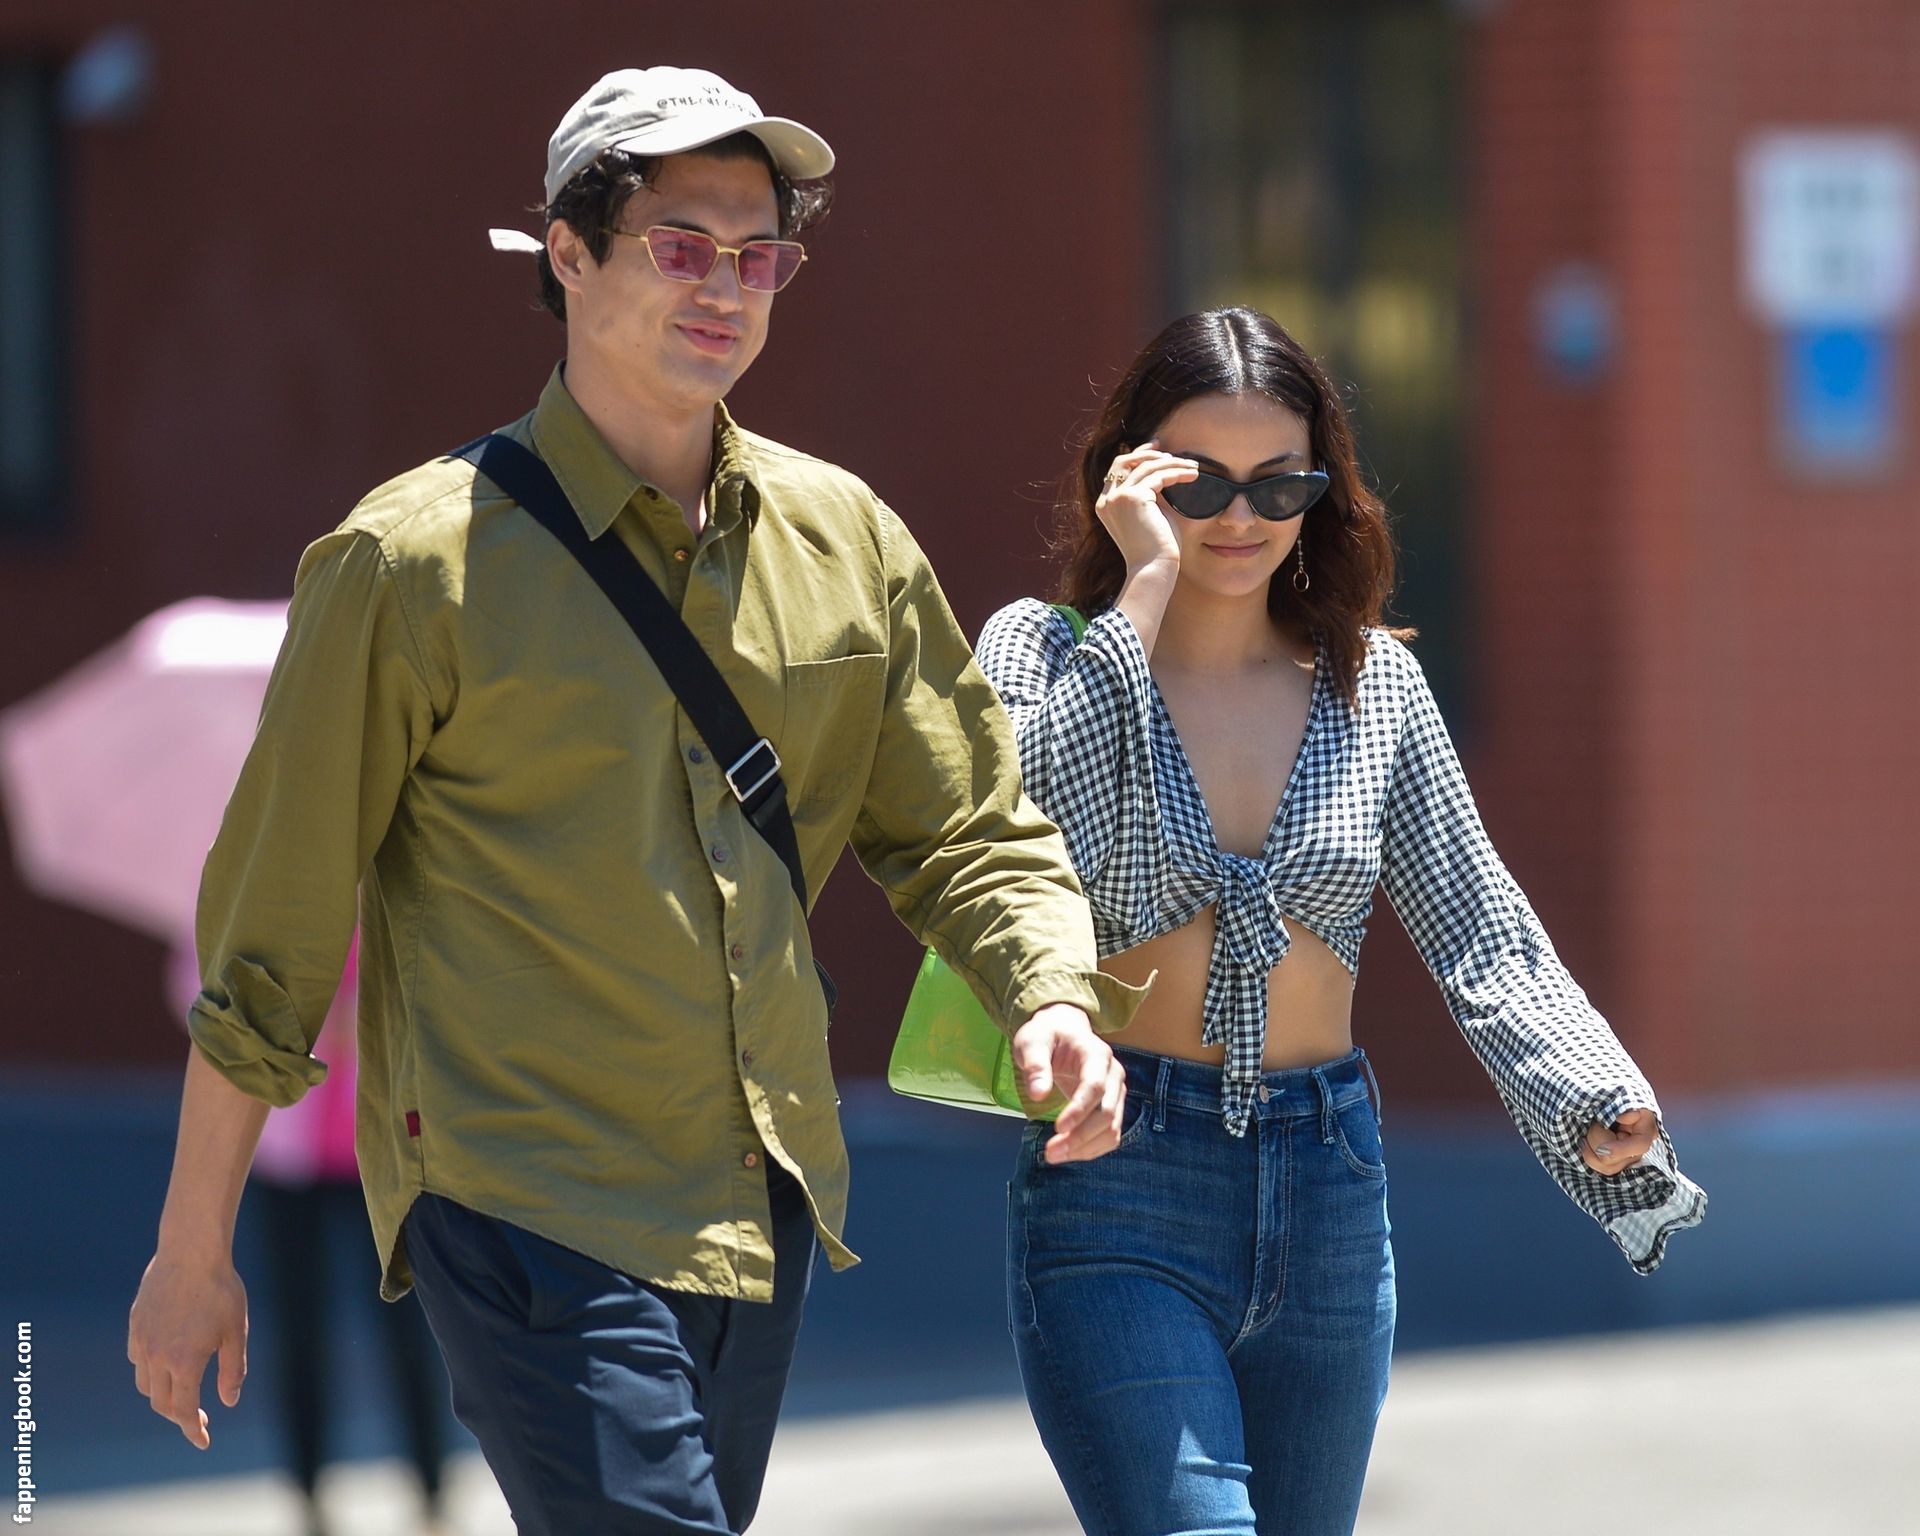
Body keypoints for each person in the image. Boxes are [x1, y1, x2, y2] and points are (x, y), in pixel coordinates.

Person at [127, 65, 1142, 1535]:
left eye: (759, 254)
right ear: (568, 252)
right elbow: (269, 938)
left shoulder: (845, 540)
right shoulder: (407, 565)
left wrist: (1050, 995)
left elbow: (968, 830)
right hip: (521, 1199)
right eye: (680, 245)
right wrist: (191, 1249)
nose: (725, 287)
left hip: (762, 1204)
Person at [975, 307, 1707, 1536]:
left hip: (1328, 1185)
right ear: (1129, 477)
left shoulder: (1373, 682)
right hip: (1117, 1183)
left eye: (1280, 483)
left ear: (1323, 491)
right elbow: (1027, 833)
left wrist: (1589, 1095)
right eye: (1199, 481)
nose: (1240, 516)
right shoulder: (1042, 652)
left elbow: (1478, 923)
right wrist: (1142, 590)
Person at [166, 937, 452, 1536]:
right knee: (299, 1330)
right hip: (288, 1157)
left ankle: (432, 1492)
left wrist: (370, 1022)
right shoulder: (268, 901)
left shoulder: (394, 891)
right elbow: (197, 991)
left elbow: (443, 994)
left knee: (412, 1326)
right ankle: (308, 1495)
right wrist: (310, 1030)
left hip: (386, 1153)